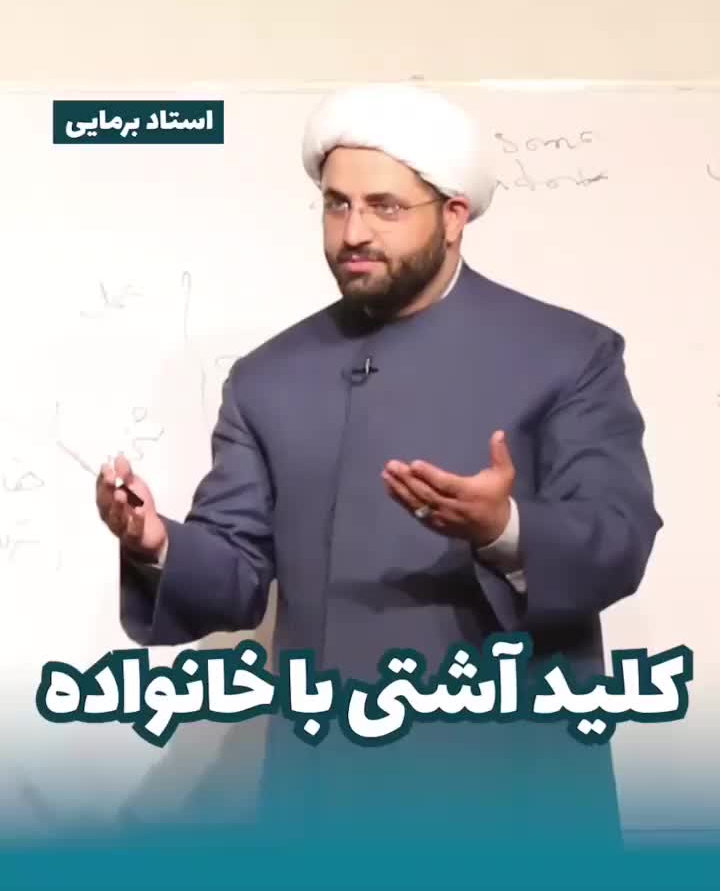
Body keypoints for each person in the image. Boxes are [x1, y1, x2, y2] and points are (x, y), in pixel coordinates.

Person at [97, 83, 662, 856]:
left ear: (454, 216)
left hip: (515, 786)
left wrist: (505, 529)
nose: (353, 232)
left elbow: (619, 538)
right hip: (327, 791)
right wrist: (157, 543)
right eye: (336, 205)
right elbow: (237, 572)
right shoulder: (268, 378)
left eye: (384, 207)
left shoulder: (569, 355)